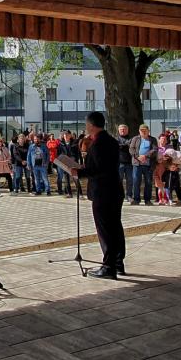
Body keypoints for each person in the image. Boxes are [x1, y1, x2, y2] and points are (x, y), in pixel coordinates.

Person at [64, 111, 125, 280]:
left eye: (87, 124)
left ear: (91, 125)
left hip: (103, 192)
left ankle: (109, 267)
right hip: (115, 190)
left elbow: (98, 169)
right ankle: (118, 262)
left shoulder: (98, 144)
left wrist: (78, 172)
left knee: (105, 230)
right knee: (115, 227)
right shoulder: (111, 141)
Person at [131, 124, 156, 205]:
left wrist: (146, 156)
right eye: (142, 131)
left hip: (148, 165)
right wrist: (138, 157)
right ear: (139, 131)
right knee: (136, 182)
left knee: (148, 182)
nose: (144, 132)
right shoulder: (135, 138)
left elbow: (154, 149)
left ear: (148, 131)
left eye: (145, 130)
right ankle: (136, 199)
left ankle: (147, 200)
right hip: (137, 164)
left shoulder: (152, 139)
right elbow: (131, 149)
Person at [114, 124, 134, 203]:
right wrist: (126, 145)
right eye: (121, 129)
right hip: (119, 163)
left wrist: (123, 146)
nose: (123, 130)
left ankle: (129, 196)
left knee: (130, 181)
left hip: (130, 163)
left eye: (124, 129)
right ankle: (118, 196)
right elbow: (117, 147)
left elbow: (132, 147)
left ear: (127, 130)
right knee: (118, 181)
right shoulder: (115, 139)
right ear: (118, 130)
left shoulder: (132, 139)